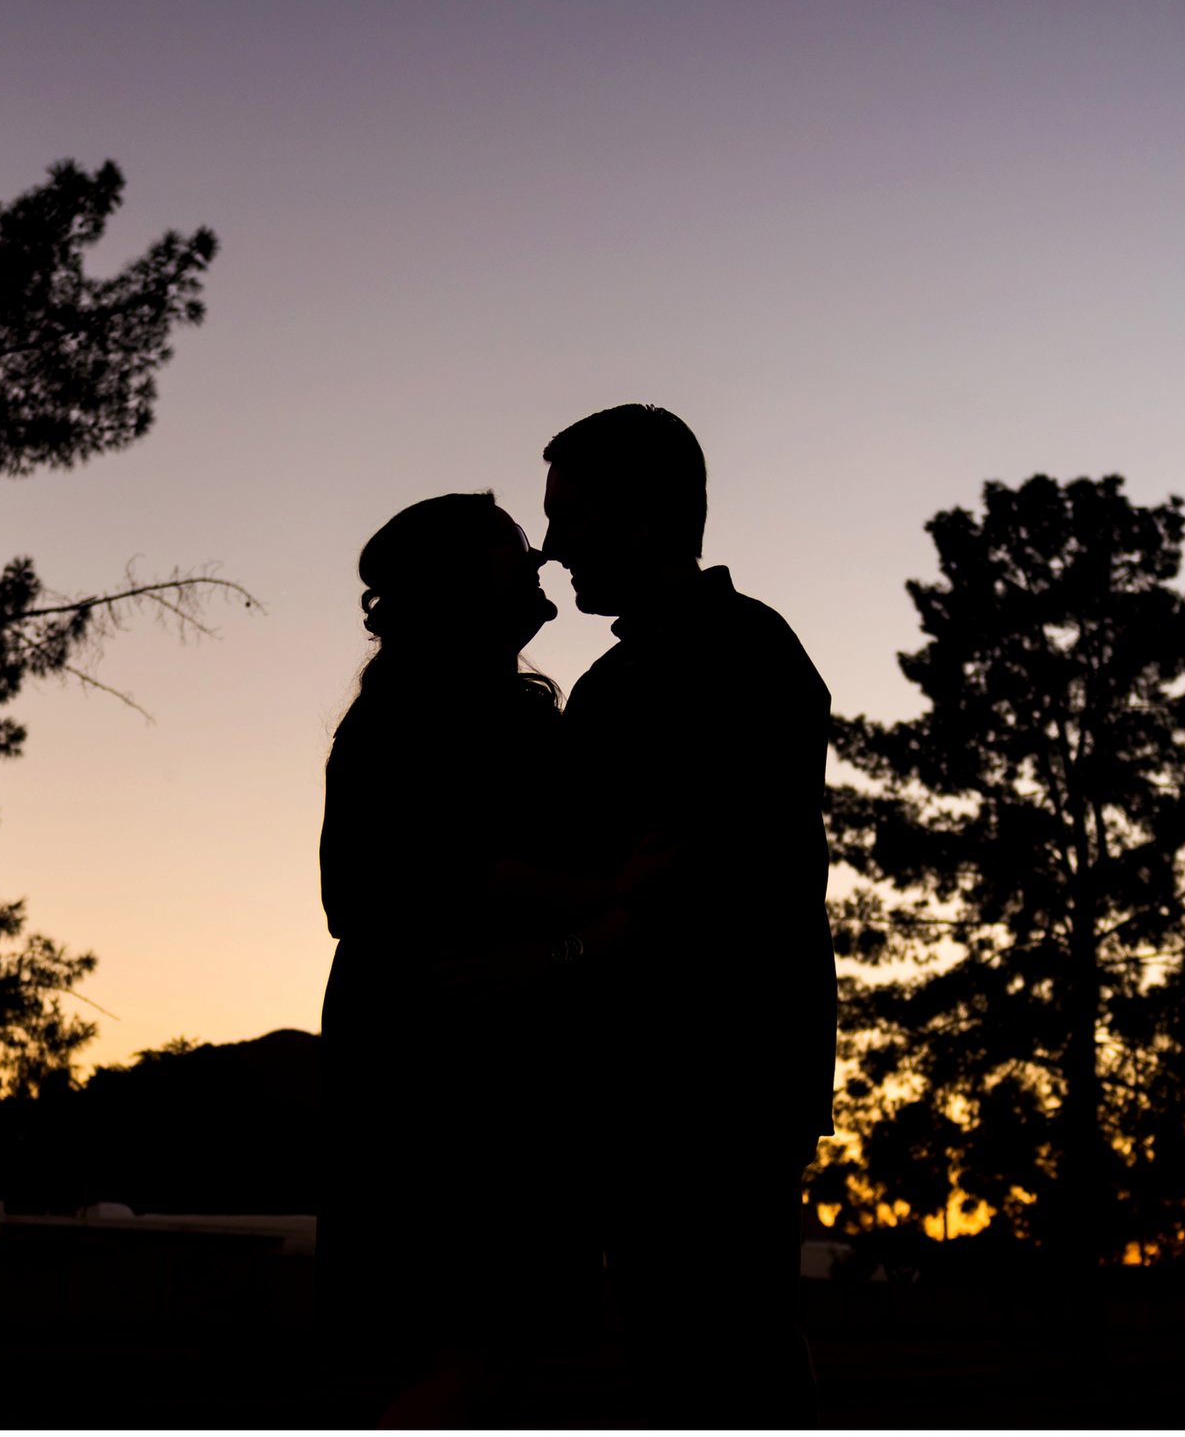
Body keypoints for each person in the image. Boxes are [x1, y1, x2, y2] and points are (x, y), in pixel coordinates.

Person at [540, 404, 837, 1427]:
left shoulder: (745, 655)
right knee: (680, 1355)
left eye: (568, 516)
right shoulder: (612, 681)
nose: (550, 545)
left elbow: (712, 877)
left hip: (722, 1072)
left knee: (731, 1352)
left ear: (644, 520)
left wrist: (578, 946)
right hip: (644, 1075)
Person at [315, 490, 613, 1425]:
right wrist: (611, 896)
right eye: (512, 547)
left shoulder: (486, 709)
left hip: (492, 1059)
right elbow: (397, 877)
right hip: (446, 1064)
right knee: (472, 1349)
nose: (536, 558)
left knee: (494, 1354)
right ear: (459, 583)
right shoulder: (415, 715)